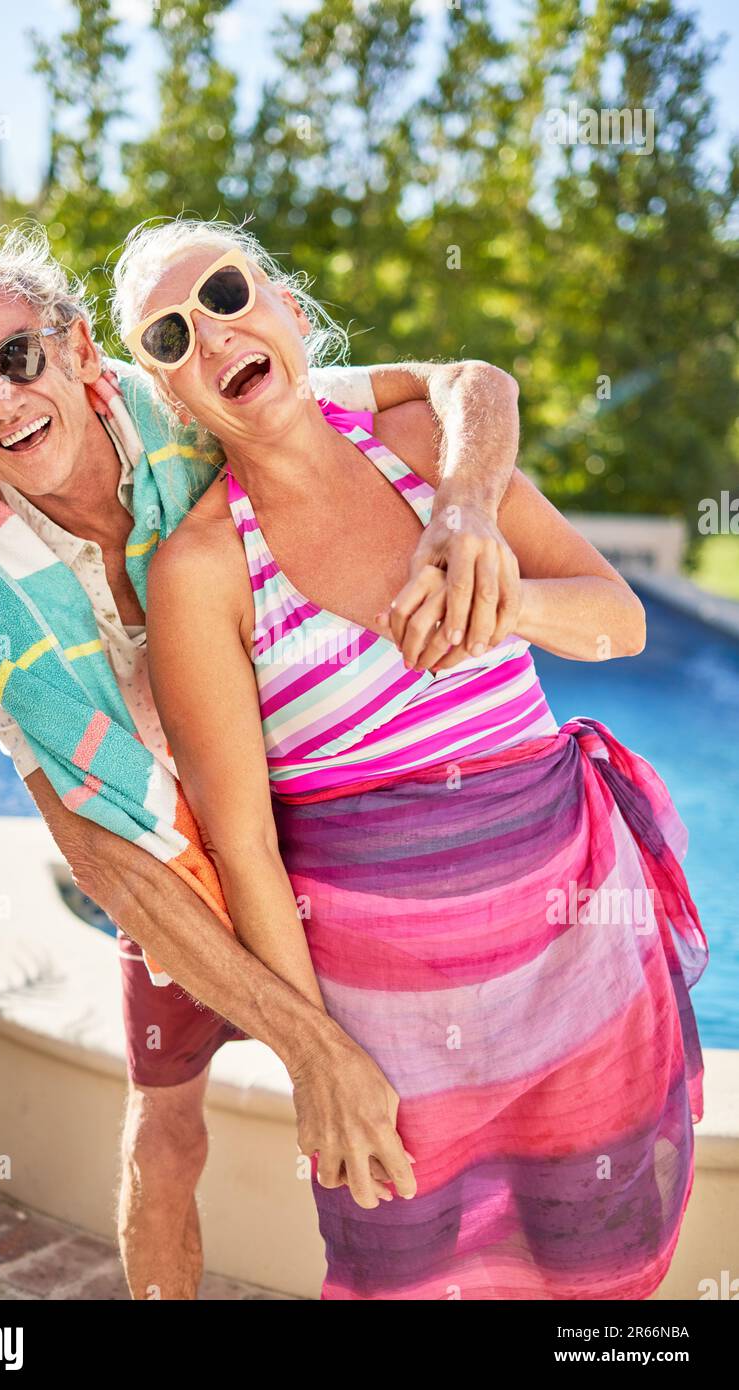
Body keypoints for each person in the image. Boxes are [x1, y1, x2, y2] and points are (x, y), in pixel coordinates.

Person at [0, 224, 523, 1300]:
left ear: (80, 348)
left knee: (443, 1115)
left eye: (16, 357)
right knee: (167, 1135)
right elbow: (98, 855)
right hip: (163, 853)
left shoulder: (190, 392)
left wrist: (464, 510)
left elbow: (468, 382)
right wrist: (307, 1045)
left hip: (308, 798)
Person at [113, 217, 710, 1300]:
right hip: (391, 1040)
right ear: (172, 398)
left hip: (580, 977)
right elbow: (245, 845)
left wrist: (502, 595)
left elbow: (618, 621)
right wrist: (317, 1062)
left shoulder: (429, 452)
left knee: (600, 1265)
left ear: (289, 310)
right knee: (408, 1276)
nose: (208, 336)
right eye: (167, 336)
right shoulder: (203, 568)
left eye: (228, 294)